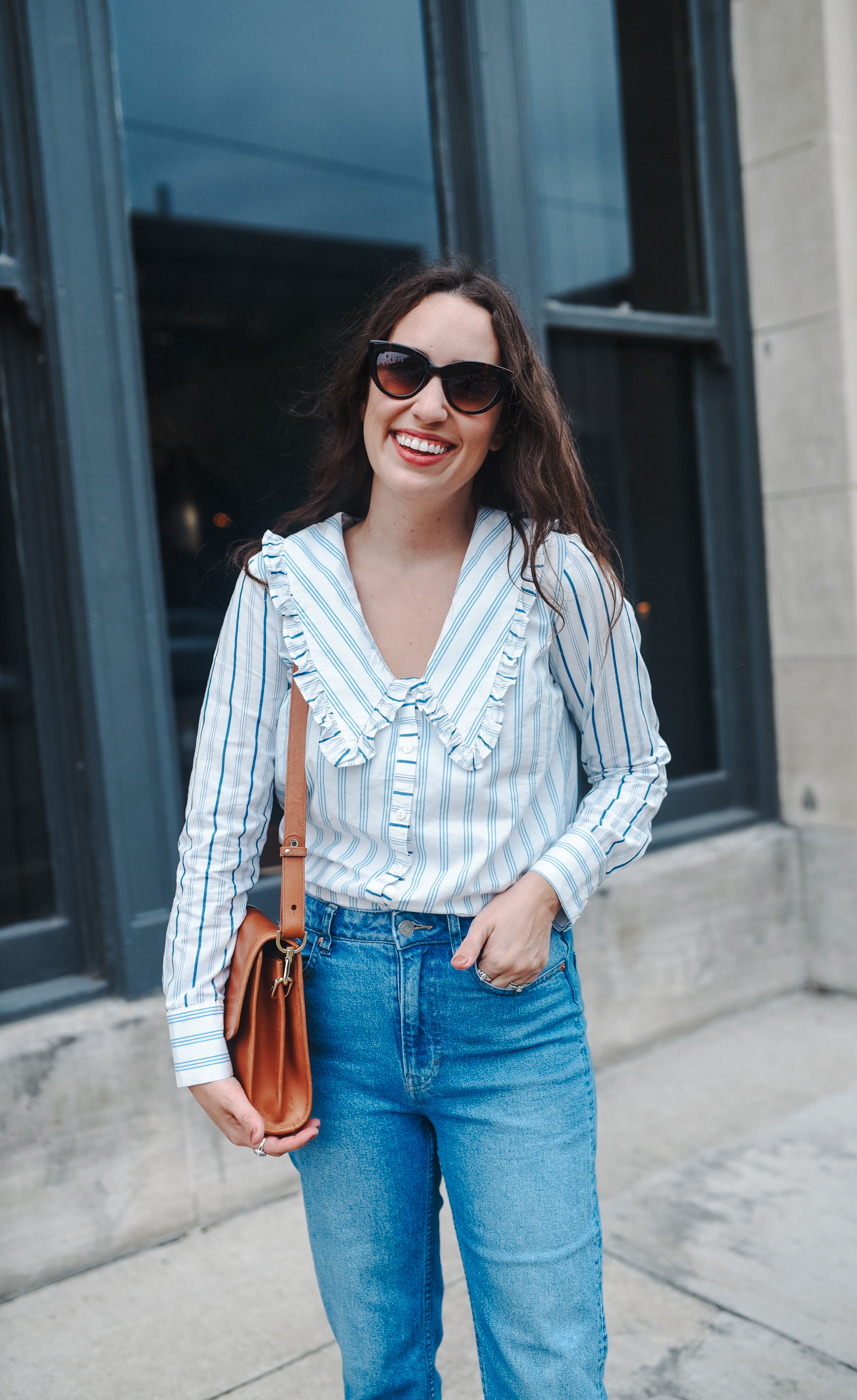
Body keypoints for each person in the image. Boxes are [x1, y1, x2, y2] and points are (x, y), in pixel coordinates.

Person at [164, 257, 668, 1399]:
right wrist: (196, 1033)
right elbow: (217, 824)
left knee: (548, 1365)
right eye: (403, 368)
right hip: (331, 1012)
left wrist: (547, 885)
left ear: (502, 422)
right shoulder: (277, 586)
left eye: (469, 386)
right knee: (382, 1362)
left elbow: (634, 768)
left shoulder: (559, 576)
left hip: (509, 1021)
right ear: (364, 387)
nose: (428, 403)